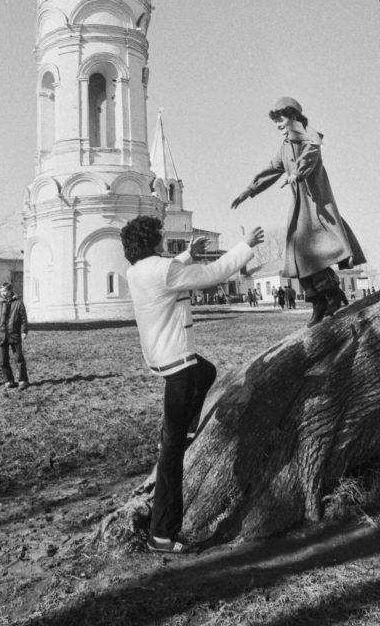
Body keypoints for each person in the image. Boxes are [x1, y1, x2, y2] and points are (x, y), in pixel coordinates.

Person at [121, 214, 264, 555]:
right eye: (159, 236)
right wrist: (246, 246)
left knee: (208, 371)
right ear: (151, 241)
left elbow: (167, 272)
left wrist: (186, 254)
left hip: (166, 360)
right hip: (178, 366)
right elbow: (212, 274)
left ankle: (185, 428)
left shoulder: (135, 270)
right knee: (170, 455)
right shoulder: (162, 269)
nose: (161, 240)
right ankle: (162, 533)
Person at [231, 96, 365, 327]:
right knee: (295, 251)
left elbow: (310, 156)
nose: (278, 125)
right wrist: (248, 191)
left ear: (293, 116)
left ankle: (331, 293)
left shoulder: (309, 135)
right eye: (275, 121)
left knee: (313, 250)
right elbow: (272, 170)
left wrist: (297, 173)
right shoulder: (284, 146)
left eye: (280, 119)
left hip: (316, 204)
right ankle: (317, 300)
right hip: (299, 205)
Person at [0, 282, 29, 390]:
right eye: (2, 291)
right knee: (3, 360)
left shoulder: (18, 303)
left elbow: (23, 319)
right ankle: (9, 380)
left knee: (18, 358)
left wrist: (24, 331)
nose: (3, 293)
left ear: (10, 291)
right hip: (2, 335)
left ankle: (23, 380)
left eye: (5, 291)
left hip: (14, 334)